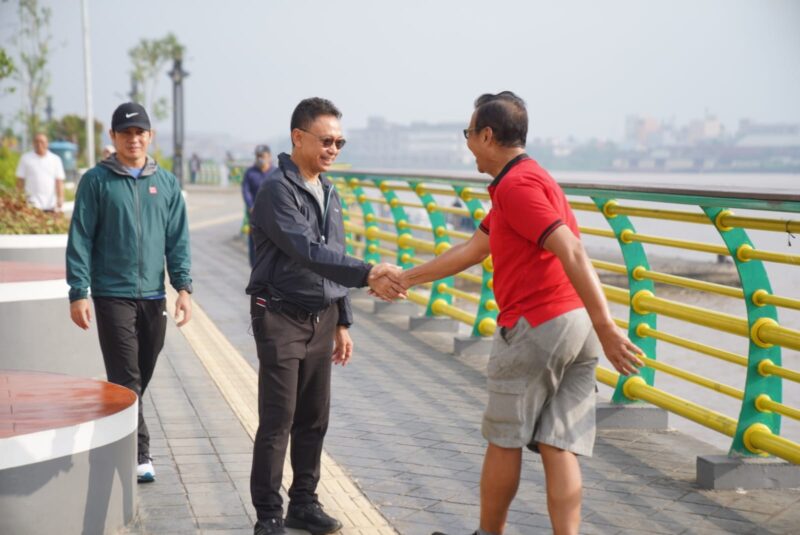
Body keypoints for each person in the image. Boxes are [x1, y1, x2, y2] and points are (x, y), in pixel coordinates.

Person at [392, 92, 644, 535]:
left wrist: (609, 327)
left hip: (538, 325)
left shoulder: (517, 187)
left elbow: (571, 249)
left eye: (469, 134)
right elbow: (474, 249)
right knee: (557, 442)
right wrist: (406, 279)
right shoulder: (530, 180)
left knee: (504, 438)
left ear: (487, 135)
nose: (468, 142)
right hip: (575, 328)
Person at [246, 97, 404, 535]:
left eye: (340, 141)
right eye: (326, 140)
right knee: (279, 419)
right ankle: (269, 516)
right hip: (279, 317)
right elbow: (308, 252)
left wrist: (343, 320)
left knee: (314, 417)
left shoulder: (329, 192)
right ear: (298, 137)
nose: (334, 148)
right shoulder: (277, 190)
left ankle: (304, 503)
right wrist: (369, 272)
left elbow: (333, 257)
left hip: (321, 319)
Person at [66, 102, 193, 484]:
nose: (133, 139)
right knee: (128, 376)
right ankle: (140, 452)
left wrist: (183, 288)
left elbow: (178, 240)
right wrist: (78, 291)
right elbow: (81, 237)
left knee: (139, 376)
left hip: (155, 296)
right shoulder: (96, 181)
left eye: (139, 132)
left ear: (149, 136)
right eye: (125, 133)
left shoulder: (167, 184)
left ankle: (116, 424)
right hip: (111, 294)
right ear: (113, 138)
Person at [243, 144, 279, 267]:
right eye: (258, 156)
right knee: (254, 243)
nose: (260, 159)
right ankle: (255, 269)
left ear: (269, 157)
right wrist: (251, 206)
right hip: (255, 216)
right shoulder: (250, 173)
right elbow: (246, 191)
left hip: (272, 216)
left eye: (262, 156)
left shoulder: (276, 173)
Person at [16, 132, 66, 212]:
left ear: (47, 143)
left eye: (42, 142)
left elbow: (59, 181)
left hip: (51, 204)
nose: (39, 144)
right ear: (33, 143)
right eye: (37, 141)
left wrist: (60, 198)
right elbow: (20, 181)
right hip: (31, 204)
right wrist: (19, 198)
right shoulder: (25, 158)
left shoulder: (55, 160)